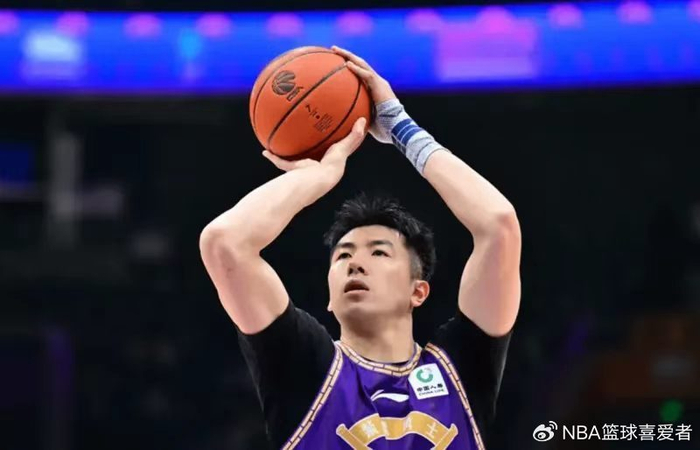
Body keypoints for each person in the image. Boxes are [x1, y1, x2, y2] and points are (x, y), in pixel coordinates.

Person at [199, 46, 522, 450]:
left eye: (379, 252)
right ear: (328, 296)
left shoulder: (461, 369)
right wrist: (318, 177)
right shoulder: (306, 369)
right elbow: (225, 243)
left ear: (418, 290)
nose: (355, 264)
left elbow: (499, 226)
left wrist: (401, 128)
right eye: (343, 255)